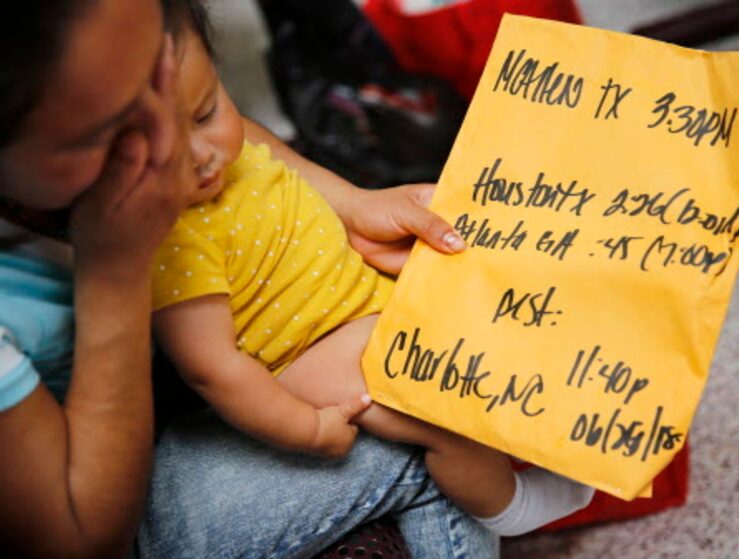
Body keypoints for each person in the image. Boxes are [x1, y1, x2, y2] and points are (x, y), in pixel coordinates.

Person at [0, 1, 497, 557]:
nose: (181, 157)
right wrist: (115, 272)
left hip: (178, 405)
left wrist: (350, 203)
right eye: (118, 141)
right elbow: (81, 541)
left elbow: (237, 142)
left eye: (201, 107)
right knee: (434, 416)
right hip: (108, 513)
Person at [146, 0, 595, 543]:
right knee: (446, 420)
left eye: (205, 112)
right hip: (309, 353)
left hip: (351, 294)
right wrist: (307, 429)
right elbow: (212, 369)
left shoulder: (228, 155)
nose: (203, 155)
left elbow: (265, 153)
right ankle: (509, 506)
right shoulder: (171, 241)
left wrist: (355, 204)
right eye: (160, 151)